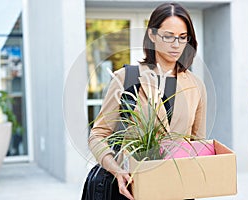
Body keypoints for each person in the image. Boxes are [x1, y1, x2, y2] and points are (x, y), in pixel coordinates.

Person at [88, 2, 206, 200]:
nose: (176, 45)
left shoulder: (196, 85)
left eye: (182, 37)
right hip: (132, 189)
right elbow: (98, 135)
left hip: (178, 190)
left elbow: (197, 144)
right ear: (152, 35)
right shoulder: (126, 78)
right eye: (168, 36)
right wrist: (116, 170)